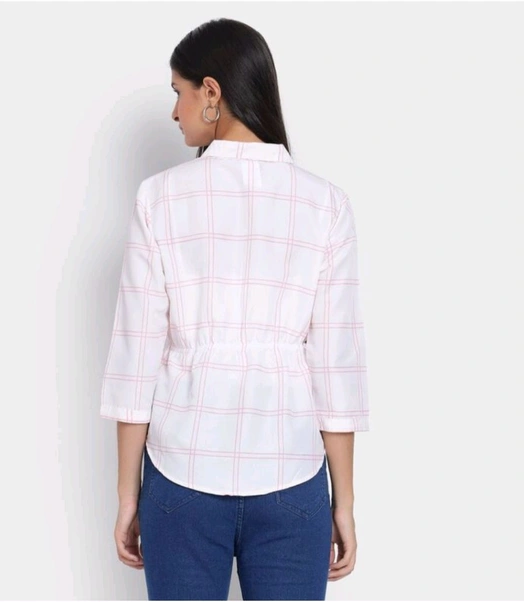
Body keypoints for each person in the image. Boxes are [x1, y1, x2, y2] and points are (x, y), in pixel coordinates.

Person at [100, 17, 370, 601]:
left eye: (179, 92)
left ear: (212, 92)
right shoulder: (326, 205)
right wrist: (343, 502)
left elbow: (135, 360)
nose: (175, 112)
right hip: (294, 477)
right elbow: (336, 367)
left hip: (180, 476)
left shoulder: (159, 199)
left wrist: (127, 495)